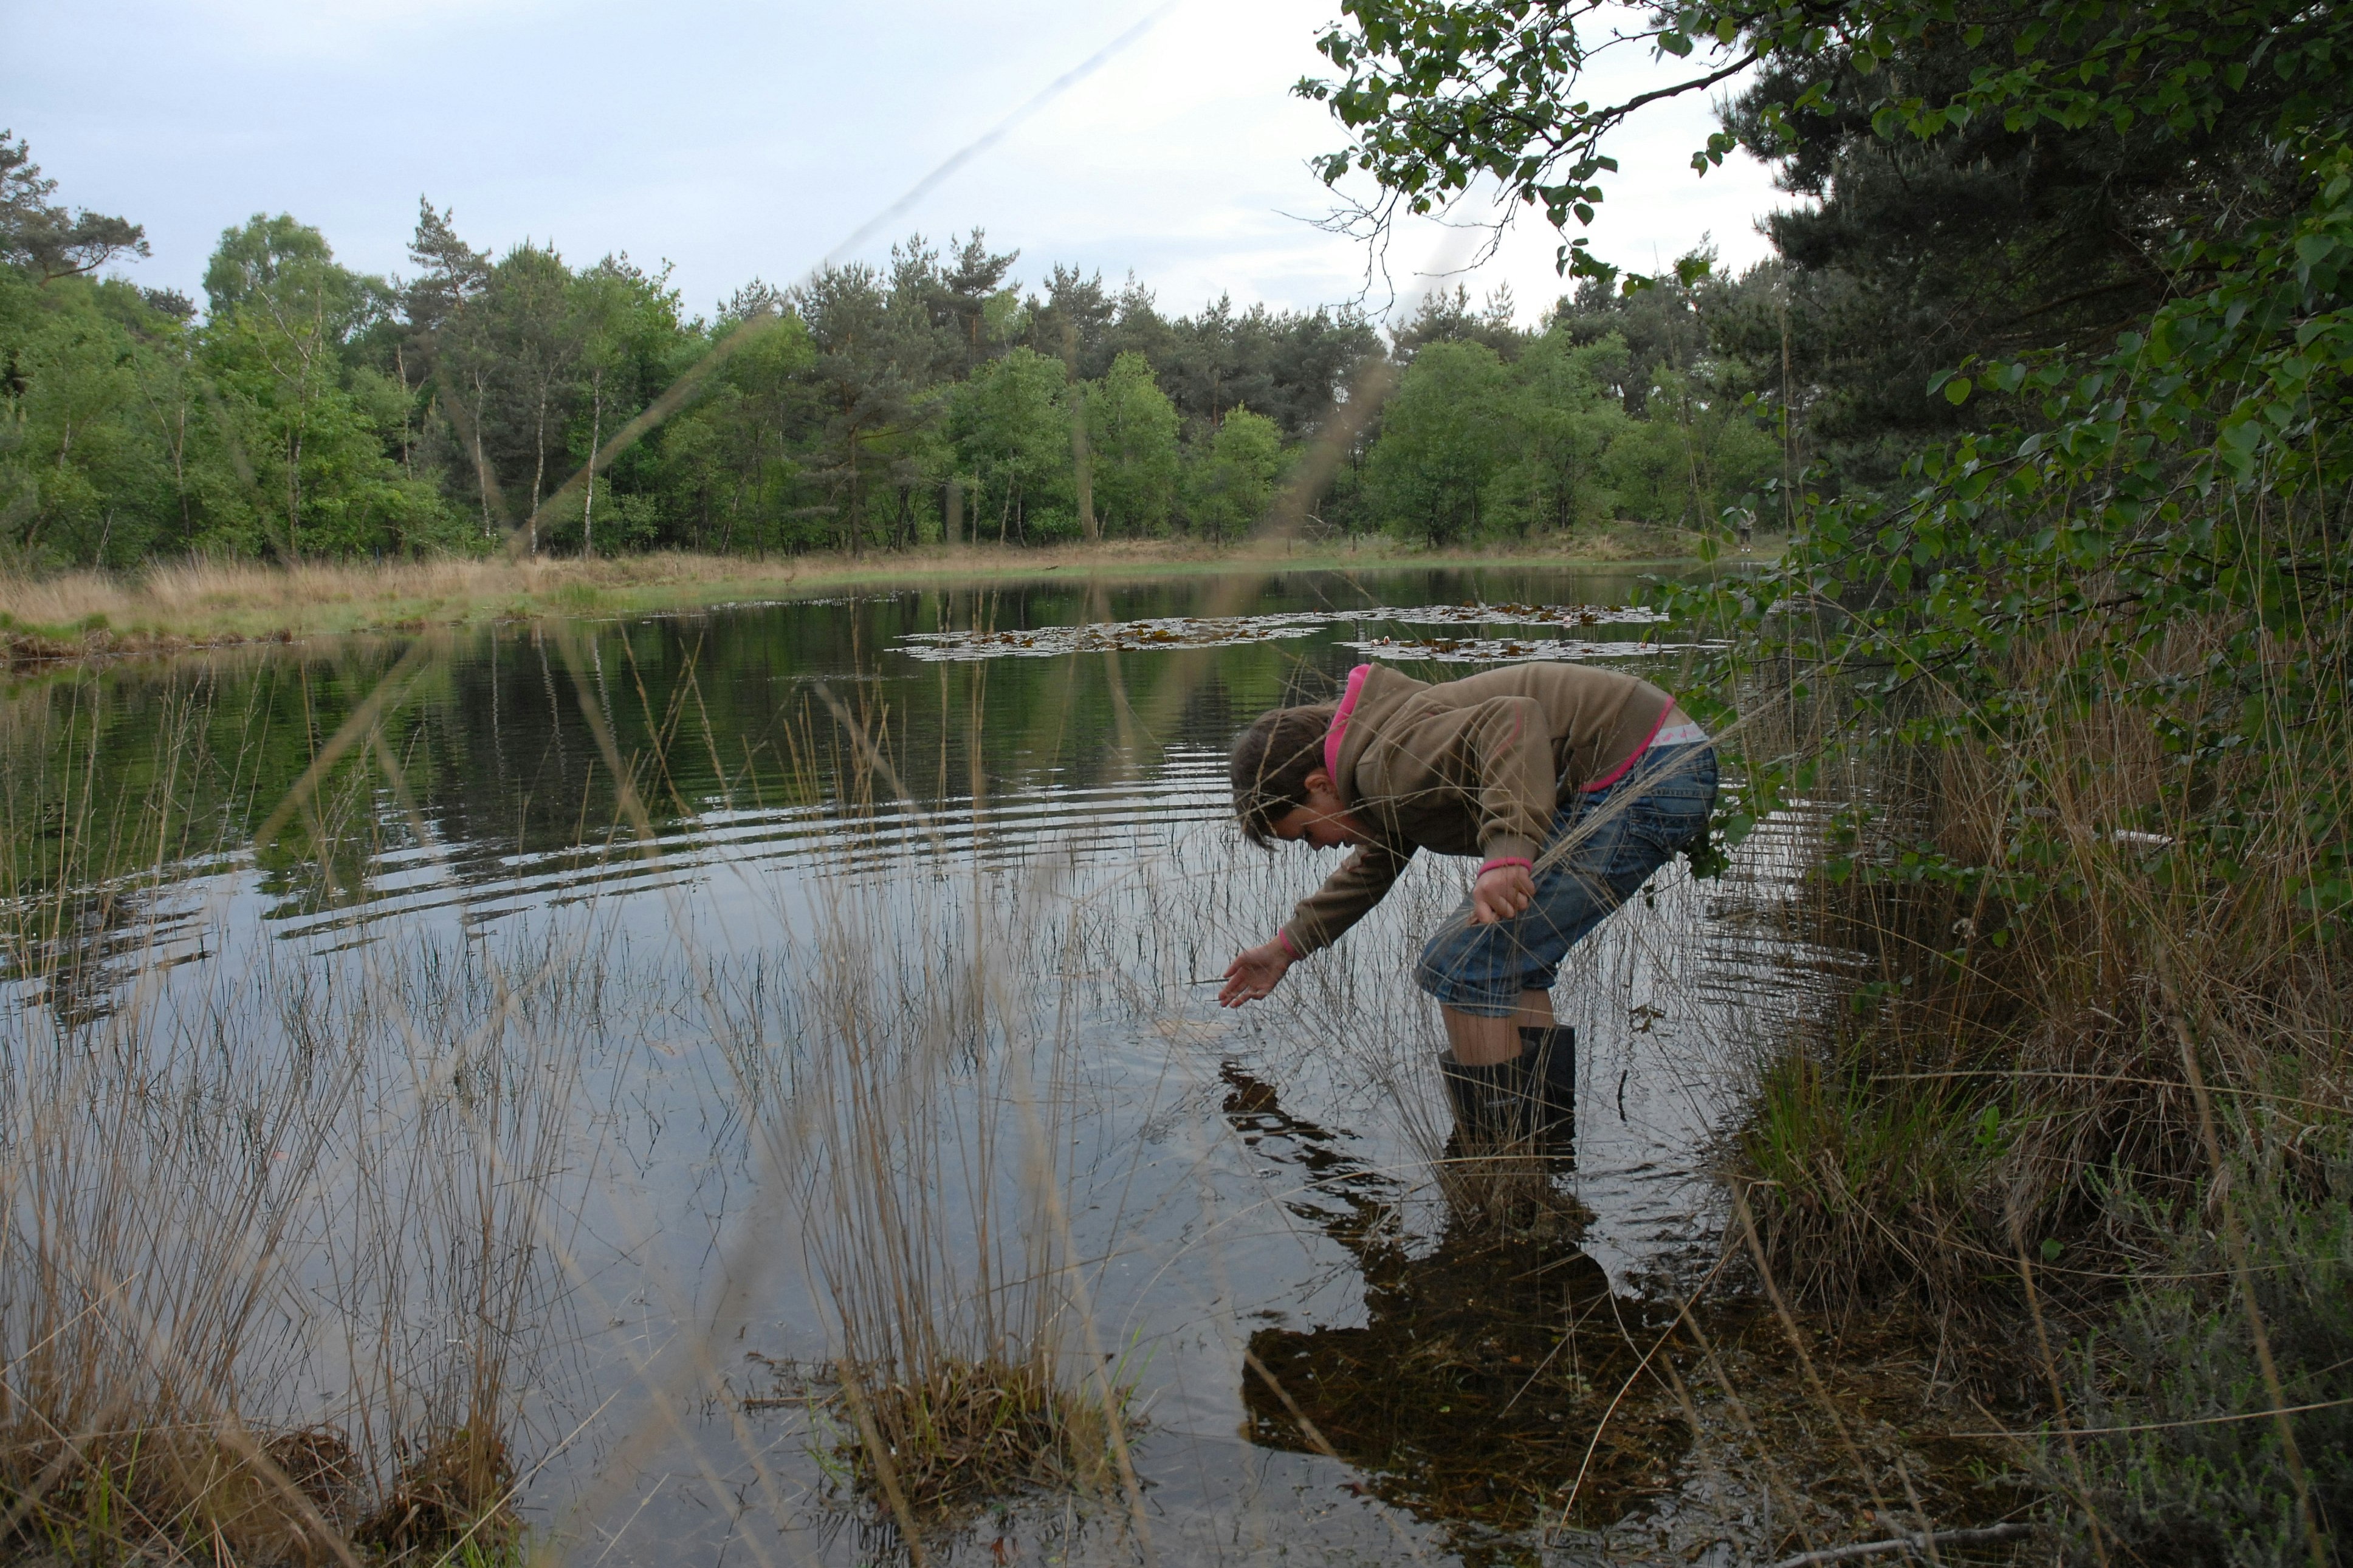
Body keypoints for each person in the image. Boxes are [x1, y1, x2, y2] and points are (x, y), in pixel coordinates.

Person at [1220, 660, 1717, 1148]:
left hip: (1647, 769)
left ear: (1319, 785)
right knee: (1510, 962)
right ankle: (1543, 1152)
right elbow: (1375, 864)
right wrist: (1286, 948)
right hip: (1657, 758)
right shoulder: (1372, 767)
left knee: (1460, 965)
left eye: (1306, 833)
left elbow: (1512, 719)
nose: (1317, 847)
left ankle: (1499, 1161)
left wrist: (1508, 852)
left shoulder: (1383, 764)